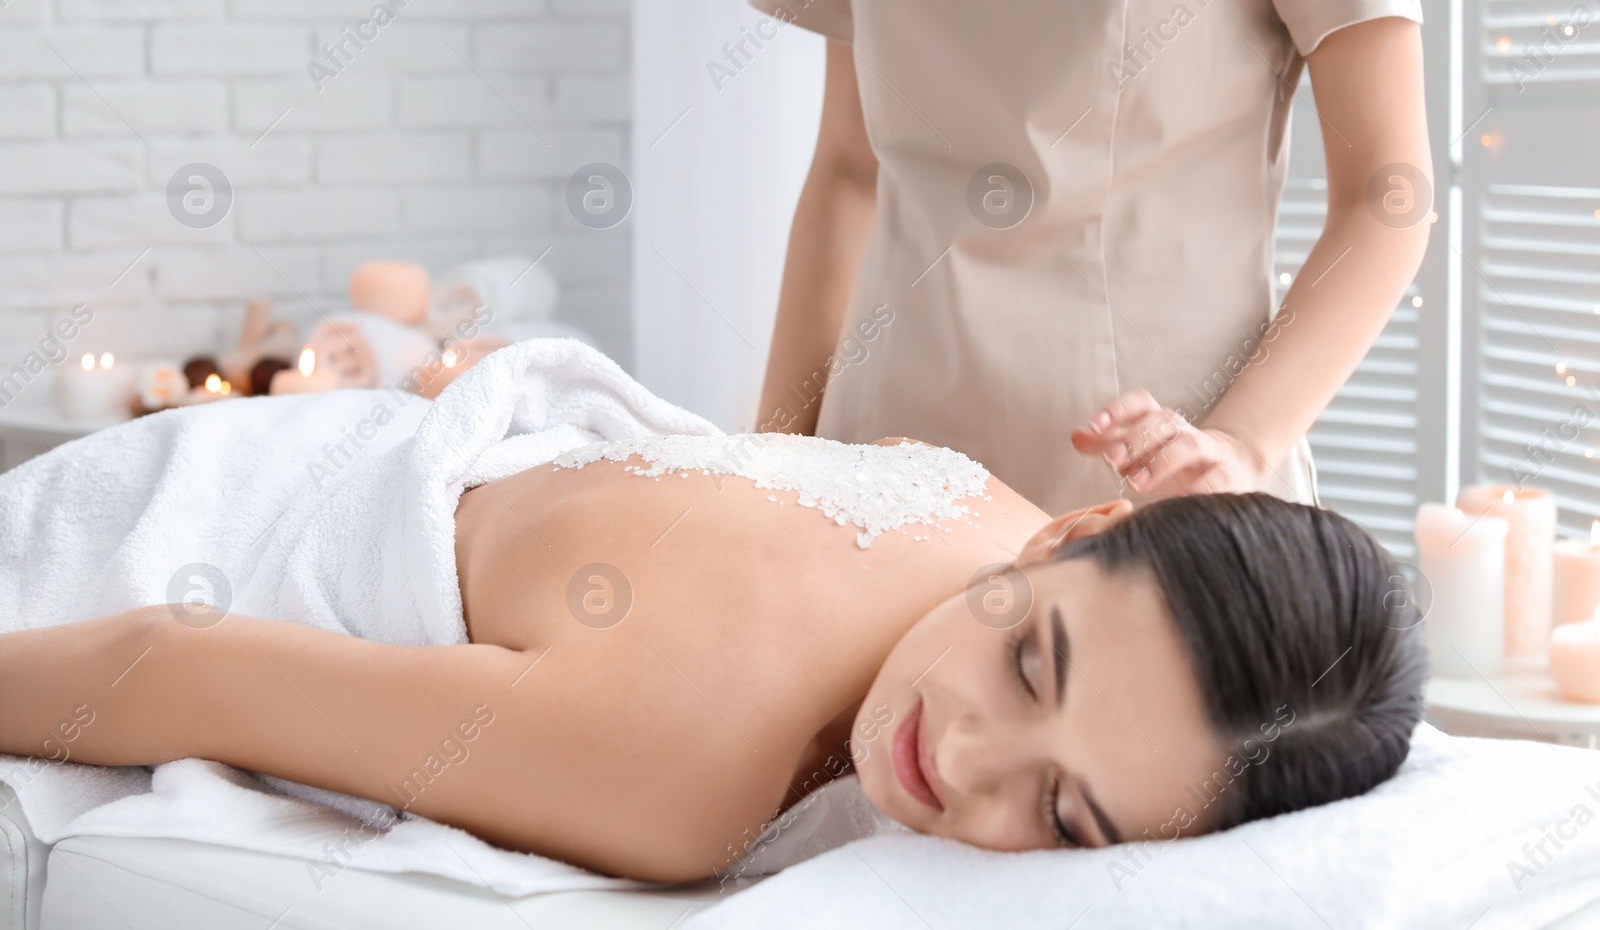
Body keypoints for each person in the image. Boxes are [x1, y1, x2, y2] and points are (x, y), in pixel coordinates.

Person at [0, 432, 1426, 882]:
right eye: (1035, 669)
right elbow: (161, 657)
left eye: (1063, 812)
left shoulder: (990, 513)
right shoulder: (679, 772)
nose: (970, 760)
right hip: (178, 523)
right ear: (1075, 533)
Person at [752, 0, 1434, 514]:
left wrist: (1242, 445)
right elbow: (850, 170)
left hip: (1151, 496)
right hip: (870, 486)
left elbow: (1386, 194)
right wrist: (767, 470)